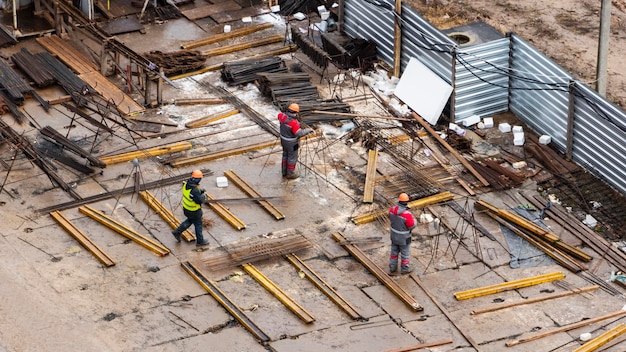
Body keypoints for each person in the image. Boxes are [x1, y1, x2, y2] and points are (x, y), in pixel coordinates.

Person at [172, 170, 210, 247]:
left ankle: (177, 232)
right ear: (198, 179)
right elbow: (199, 200)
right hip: (194, 211)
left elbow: (191, 194)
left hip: (186, 209)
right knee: (198, 225)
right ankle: (200, 241)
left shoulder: (186, 184)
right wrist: (204, 196)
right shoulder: (195, 190)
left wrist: (200, 191)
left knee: (189, 221)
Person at [278, 103, 312, 179]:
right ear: (296, 112)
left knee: (285, 155)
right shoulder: (294, 123)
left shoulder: (281, 116)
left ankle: (284, 171)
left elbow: (283, 118)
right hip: (292, 143)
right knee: (292, 158)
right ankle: (290, 174)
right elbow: (299, 133)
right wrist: (308, 130)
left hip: (283, 140)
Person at [388, 193, 416, 275]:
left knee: (394, 251)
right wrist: (415, 221)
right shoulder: (407, 214)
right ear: (407, 202)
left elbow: (389, 217)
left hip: (393, 235)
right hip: (404, 237)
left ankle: (392, 268)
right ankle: (404, 269)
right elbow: (411, 226)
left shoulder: (392, 209)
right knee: (405, 253)